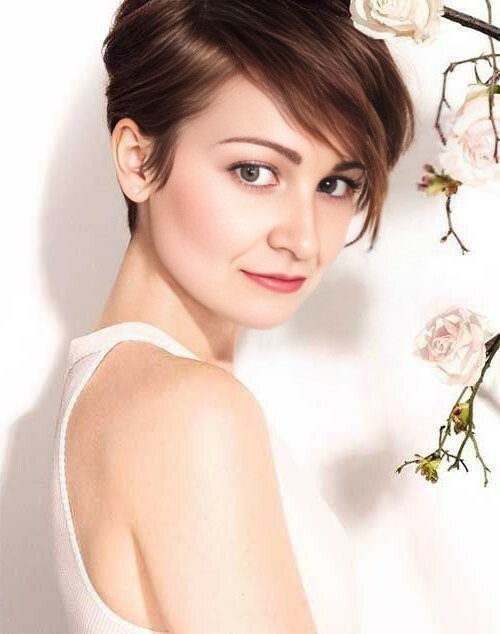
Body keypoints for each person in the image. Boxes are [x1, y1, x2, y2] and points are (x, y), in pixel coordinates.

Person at [49, 1, 415, 632]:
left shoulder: (121, 389)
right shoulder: (191, 411)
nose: (304, 238)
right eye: (254, 171)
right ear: (138, 160)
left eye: (335, 184)